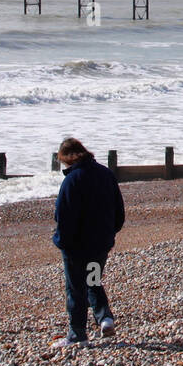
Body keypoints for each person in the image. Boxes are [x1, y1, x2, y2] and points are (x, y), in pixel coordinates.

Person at [52, 137, 125, 345]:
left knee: (76, 288)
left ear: (67, 158)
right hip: (99, 245)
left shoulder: (71, 180)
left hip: (76, 248)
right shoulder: (105, 174)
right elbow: (119, 212)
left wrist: (61, 242)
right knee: (93, 281)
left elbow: (63, 217)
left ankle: (77, 334)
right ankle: (105, 318)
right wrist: (109, 234)